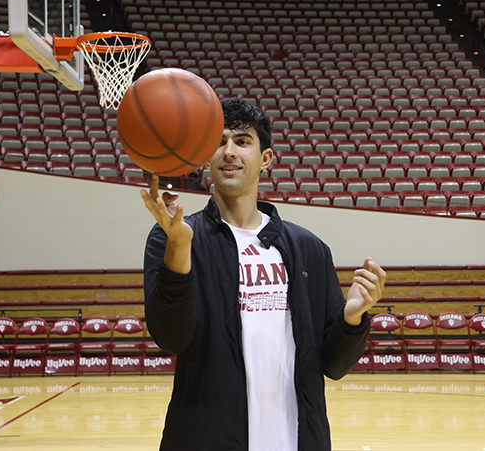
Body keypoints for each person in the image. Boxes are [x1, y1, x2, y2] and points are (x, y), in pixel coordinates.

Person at [141, 97, 386, 451]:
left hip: (296, 440)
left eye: (242, 142)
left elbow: (334, 364)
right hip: (206, 437)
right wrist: (179, 248)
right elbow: (171, 338)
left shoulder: (309, 249)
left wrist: (351, 319)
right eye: (219, 142)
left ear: (265, 158)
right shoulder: (173, 236)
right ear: (205, 157)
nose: (229, 151)